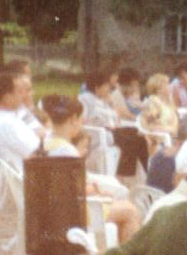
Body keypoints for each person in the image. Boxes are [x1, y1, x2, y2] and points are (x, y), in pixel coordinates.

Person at [41, 95, 141, 242]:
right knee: (130, 211)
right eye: (81, 120)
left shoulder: (47, 142)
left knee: (119, 197)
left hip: (53, 209)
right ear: (73, 119)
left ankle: (118, 248)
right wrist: (99, 192)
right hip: (73, 214)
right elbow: (76, 189)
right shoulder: (67, 152)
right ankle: (126, 254)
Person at [79, 68, 149, 180]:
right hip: (99, 134)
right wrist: (100, 123)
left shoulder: (102, 100)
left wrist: (110, 105)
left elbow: (116, 118)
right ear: (97, 88)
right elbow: (82, 119)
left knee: (138, 135)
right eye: (106, 86)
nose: (109, 89)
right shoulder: (85, 99)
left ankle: (145, 171)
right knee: (131, 139)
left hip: (111, 131)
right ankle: (125, 175)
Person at [0, 70, 42, 167]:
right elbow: (36, 154)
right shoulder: (4, 125)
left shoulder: (8, 117)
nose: (24, 95)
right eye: (20, 92)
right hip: (33, 172)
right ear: (7, 98)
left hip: (35, 166)